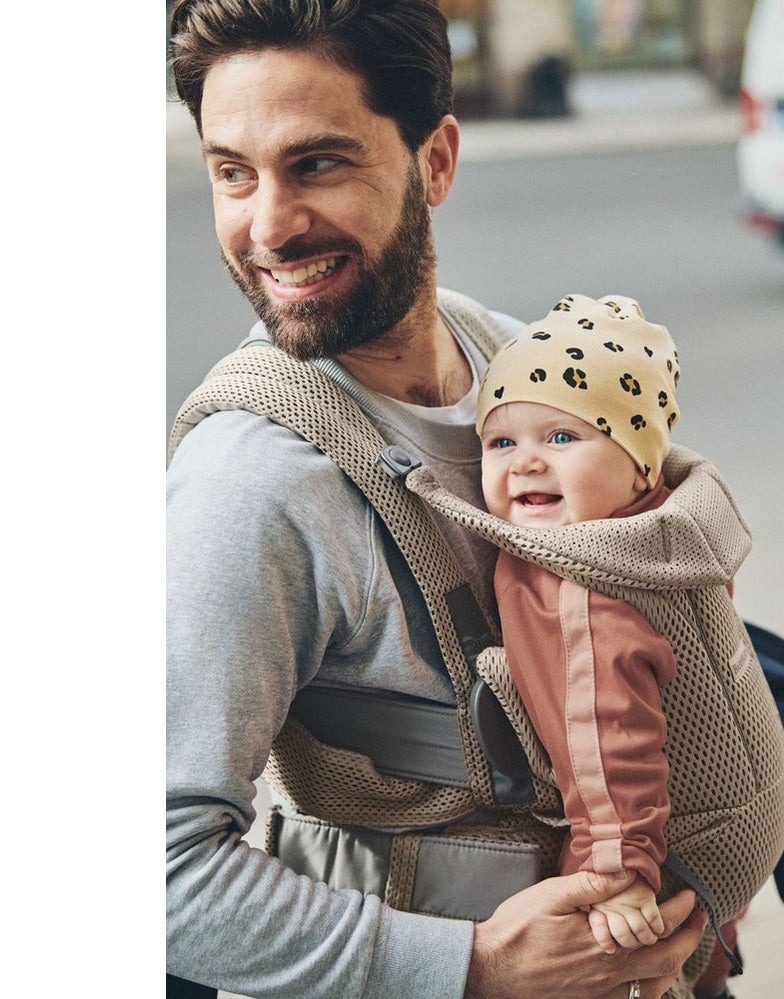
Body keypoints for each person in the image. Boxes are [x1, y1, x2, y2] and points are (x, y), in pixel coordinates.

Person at [166, 2, 708, 998]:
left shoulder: (508, 357)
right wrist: (475, 967)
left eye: (318, 163)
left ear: (437, 162)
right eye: (232, 172)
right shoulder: (251, 483)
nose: (270, 226)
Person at [403, 293, 784, 998]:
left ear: (640, 464)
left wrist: (612, 874)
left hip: (659, 836)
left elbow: (609, 741)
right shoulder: (666, 529)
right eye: (501, 442)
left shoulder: (585, 589)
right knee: (701, 963)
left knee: (624, 962)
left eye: (561, 438)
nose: (524, 463)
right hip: (737, 809)